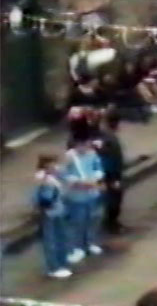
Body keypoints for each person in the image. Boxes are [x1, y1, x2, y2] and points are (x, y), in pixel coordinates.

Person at [62, 128, 105, 264]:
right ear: (76, 144)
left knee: (93, 219)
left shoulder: (92, 154)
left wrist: (95, 178)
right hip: (76, 196)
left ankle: (90, 243)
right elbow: (63, 175)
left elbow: (99, 169)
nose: (84, 147)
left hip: (92, 193)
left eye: (86, 144)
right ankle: (77, 248)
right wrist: (77, 181)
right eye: (81, 144)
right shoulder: (69, 156)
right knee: (78, 222)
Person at [33, 154, 72, 279]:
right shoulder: (43, 179)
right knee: (50, 241)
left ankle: (62, 262)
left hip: (59, 211)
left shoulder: (54, 176)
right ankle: (53, 268)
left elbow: (66, 179)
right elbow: (42, 199)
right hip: (49, 213)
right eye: (52, 164)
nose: (55, 166)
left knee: (61, 237)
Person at [96, 111, 125, 234]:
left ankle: (111, 222)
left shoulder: (106, 136)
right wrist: (114, 177)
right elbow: (110, 158)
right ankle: (111, 223)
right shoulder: (108, 138)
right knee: (114, 198)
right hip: (110, 173)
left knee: (113, 197)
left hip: (109, 172)